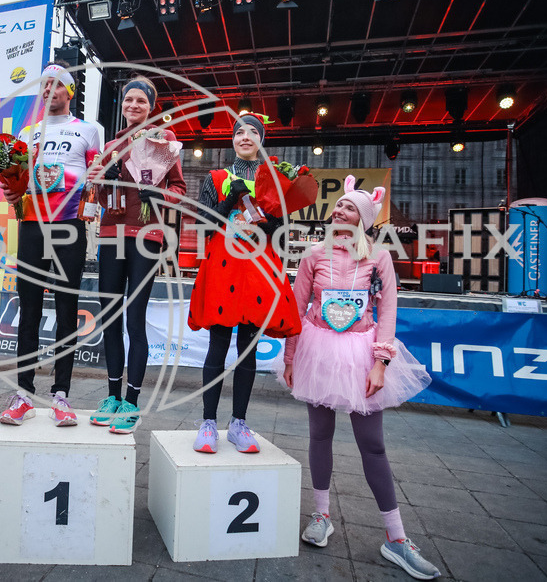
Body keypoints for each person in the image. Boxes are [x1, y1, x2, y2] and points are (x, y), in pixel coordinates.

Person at [279, 175, 439, 580]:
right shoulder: (314, 255)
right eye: (338, 205)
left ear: (363, 219)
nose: (339, 210)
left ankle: (396, 538)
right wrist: (291, 357)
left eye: (349, 207)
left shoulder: (379, 258)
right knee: (319, 435)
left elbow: (388, 312)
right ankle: (321, 515)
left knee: (373, 445)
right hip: (318, 351)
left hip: (361, 354)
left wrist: (381, 362)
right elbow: (296, 308)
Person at [0, 61, 103, 426]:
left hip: (69, 225)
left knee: (66, 309)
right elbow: (15, 181)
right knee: (28, 309)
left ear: (70, 91)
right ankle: (23, 394)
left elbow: (95, 179)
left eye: (56, 84)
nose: (48, 90)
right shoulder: (27, 133)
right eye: (44, 84)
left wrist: (92, 205)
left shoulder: (88, 130)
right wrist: (11, 192)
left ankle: (61, 395)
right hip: (32, 225)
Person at [188, 114, 301, 453]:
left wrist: (269, 224)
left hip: (257, 269)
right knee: (218, 344)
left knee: (248, 348)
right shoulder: (216, 177)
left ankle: (239, 423)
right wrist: (227, 201)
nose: (246, 136)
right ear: (233, 140)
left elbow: (283, 233)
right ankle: (208, 423)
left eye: (253, 131)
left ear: (262, 140)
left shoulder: (275, 181)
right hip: (223, 267)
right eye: (239, 132)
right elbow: (202, 224)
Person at [89, 76, 186, 433]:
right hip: (111, 233)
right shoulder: (111, 145)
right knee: (110, 318)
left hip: (147, 235)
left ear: (151, 107)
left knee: (135, 318)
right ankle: (112, 397)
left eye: (141, 101)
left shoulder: (163, 139)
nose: (133, 105)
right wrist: (105, 180)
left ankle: (131, 402)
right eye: (129, 99)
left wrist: (160, 196)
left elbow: (179, 187)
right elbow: (99, 197)